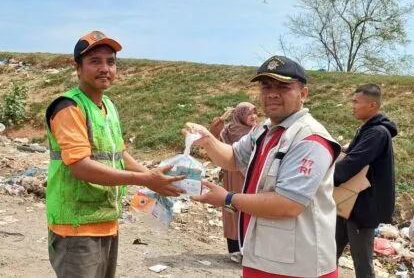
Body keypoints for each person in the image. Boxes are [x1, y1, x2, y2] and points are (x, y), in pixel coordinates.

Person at [45, 30, 185, 278]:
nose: (105, 68)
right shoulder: (69, 107)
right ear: (78, 67)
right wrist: (145, 180)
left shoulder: (108, 106)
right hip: (76, 225)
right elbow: (80, 167)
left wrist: (154, 178)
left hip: (105, 221)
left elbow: (119, 153)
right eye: (95, 61)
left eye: (110, 61)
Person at [185, 55, 341, 278]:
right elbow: (233, 158)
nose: (272, 93)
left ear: (303, 94)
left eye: (283, 87)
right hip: (264, 257)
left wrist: (228, 199)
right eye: (266, 86)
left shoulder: (310, 138)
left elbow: (288, 203)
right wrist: (208, 140)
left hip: (298, 267)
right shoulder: (265, 129)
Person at [335, 84, 397, 278]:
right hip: (347, 203)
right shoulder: (366, 129)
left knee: (362, 264)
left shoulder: (377, 133)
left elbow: (351, 164)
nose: (352, 105)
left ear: (372, 105)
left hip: (363, 208)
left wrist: (322, 178)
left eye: (356, 102)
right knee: (328, 253)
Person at [209, 102, 257, 263]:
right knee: (231, 209)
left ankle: (248, 249)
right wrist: (221, 119)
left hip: (250, 176)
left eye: (255, 113)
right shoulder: (229, 129)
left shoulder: (258, 130)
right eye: (249, 113)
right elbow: (213, 138)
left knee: (249, 208)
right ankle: (234, 248)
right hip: (232, 175)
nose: (253, 117)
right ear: (240, 115)